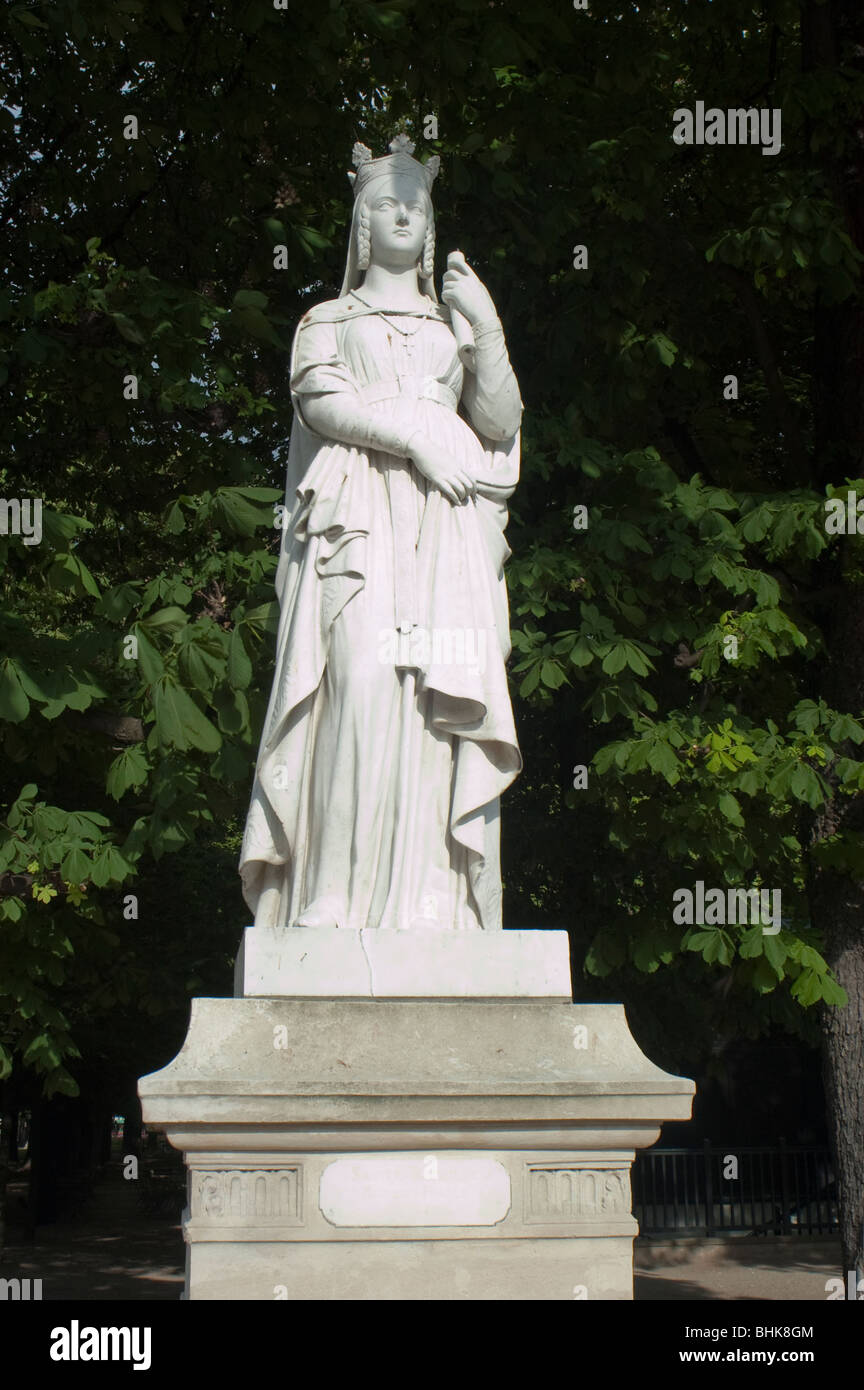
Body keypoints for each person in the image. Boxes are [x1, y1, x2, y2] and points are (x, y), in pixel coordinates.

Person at [240, 134, 523, 932]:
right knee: (360, 682)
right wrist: (414, 439)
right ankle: (332, 891)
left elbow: (499, 421)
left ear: (430, 228)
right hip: (359, 514)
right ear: (362, 224)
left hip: (447, 525)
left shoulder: (453, 322)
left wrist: (487, 328)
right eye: (387, 205)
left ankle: (433, 899)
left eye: (416, 206)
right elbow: (320, 402)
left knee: (436, 701)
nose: (403, 216)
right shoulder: (327, 319)